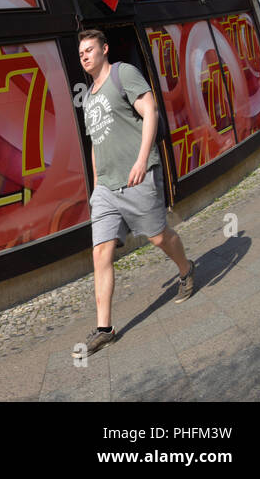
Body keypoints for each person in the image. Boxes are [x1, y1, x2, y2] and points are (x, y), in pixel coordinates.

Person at [78, 28, 195, 354]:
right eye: (81, 52)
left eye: (89, 49)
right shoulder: (88, 97)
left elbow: (150, 111)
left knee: (158, 236)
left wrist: (143, 159)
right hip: (106, 187)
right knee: (100, 253)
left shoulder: (123, 74)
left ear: (104, 48)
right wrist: (97, 184)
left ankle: (186, 269)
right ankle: (105, 328)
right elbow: (94, 143)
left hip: (136, 177)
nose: (84, 55)